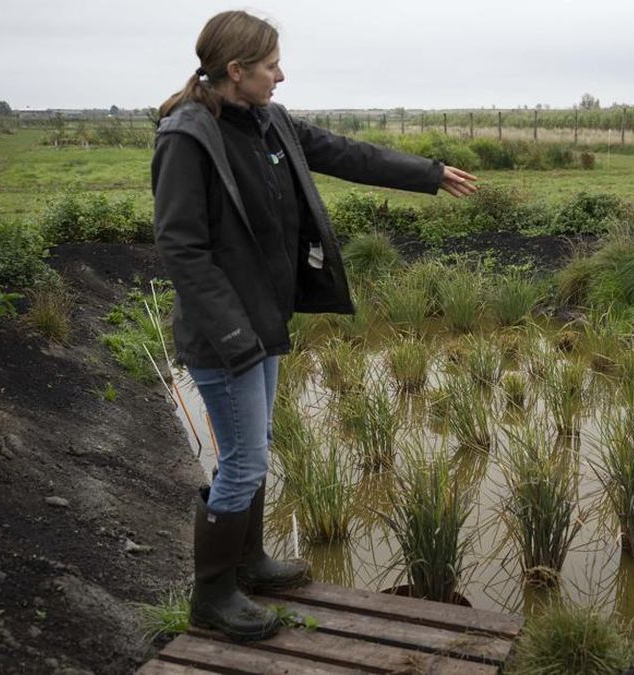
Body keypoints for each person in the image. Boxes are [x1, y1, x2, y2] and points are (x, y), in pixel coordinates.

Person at [151, 10, 477, 642]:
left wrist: (429, 173)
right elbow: (182, 249)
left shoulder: (267, 121)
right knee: (245, 461)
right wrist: (237, 338)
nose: (282, 74)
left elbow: (344, 152)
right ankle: (212, 598)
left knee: (251, 449)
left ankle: (248, 563)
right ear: (236, 70)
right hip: (227, 336)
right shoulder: (186, 138)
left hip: (263, 321)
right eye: (271, 65)